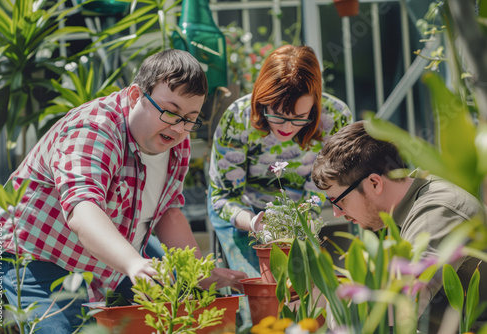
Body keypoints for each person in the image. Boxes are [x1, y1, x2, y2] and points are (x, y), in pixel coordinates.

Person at [0, 49, 247, 333]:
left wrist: (199, 273)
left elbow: (167, 212)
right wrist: (134, 264)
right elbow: (82, 209)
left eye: (190, 118)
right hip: (32, 249)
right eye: (170, 112)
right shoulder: (92, 129)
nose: (180, 126)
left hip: (114, 253)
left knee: (178, 320)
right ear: (136, 96)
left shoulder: (176, 136)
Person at [311, 120, 487, 333]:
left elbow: (402, 305)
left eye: (338, 201)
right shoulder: (410, 204)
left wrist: (326, 299)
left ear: (375, 183)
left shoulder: (436, 211)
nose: (337, 213)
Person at [207, 44, 352, 279]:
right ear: (262, 99)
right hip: (242, 211)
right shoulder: (237, 118)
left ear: (314, 106)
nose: (286, 127)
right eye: (278, 114)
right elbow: (223, 198)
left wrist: (299, 226)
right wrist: (255, 223)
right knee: (258, 290)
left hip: (300, 212)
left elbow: (321, 188)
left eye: (299, 117)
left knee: (304, 292)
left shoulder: (335, 117)